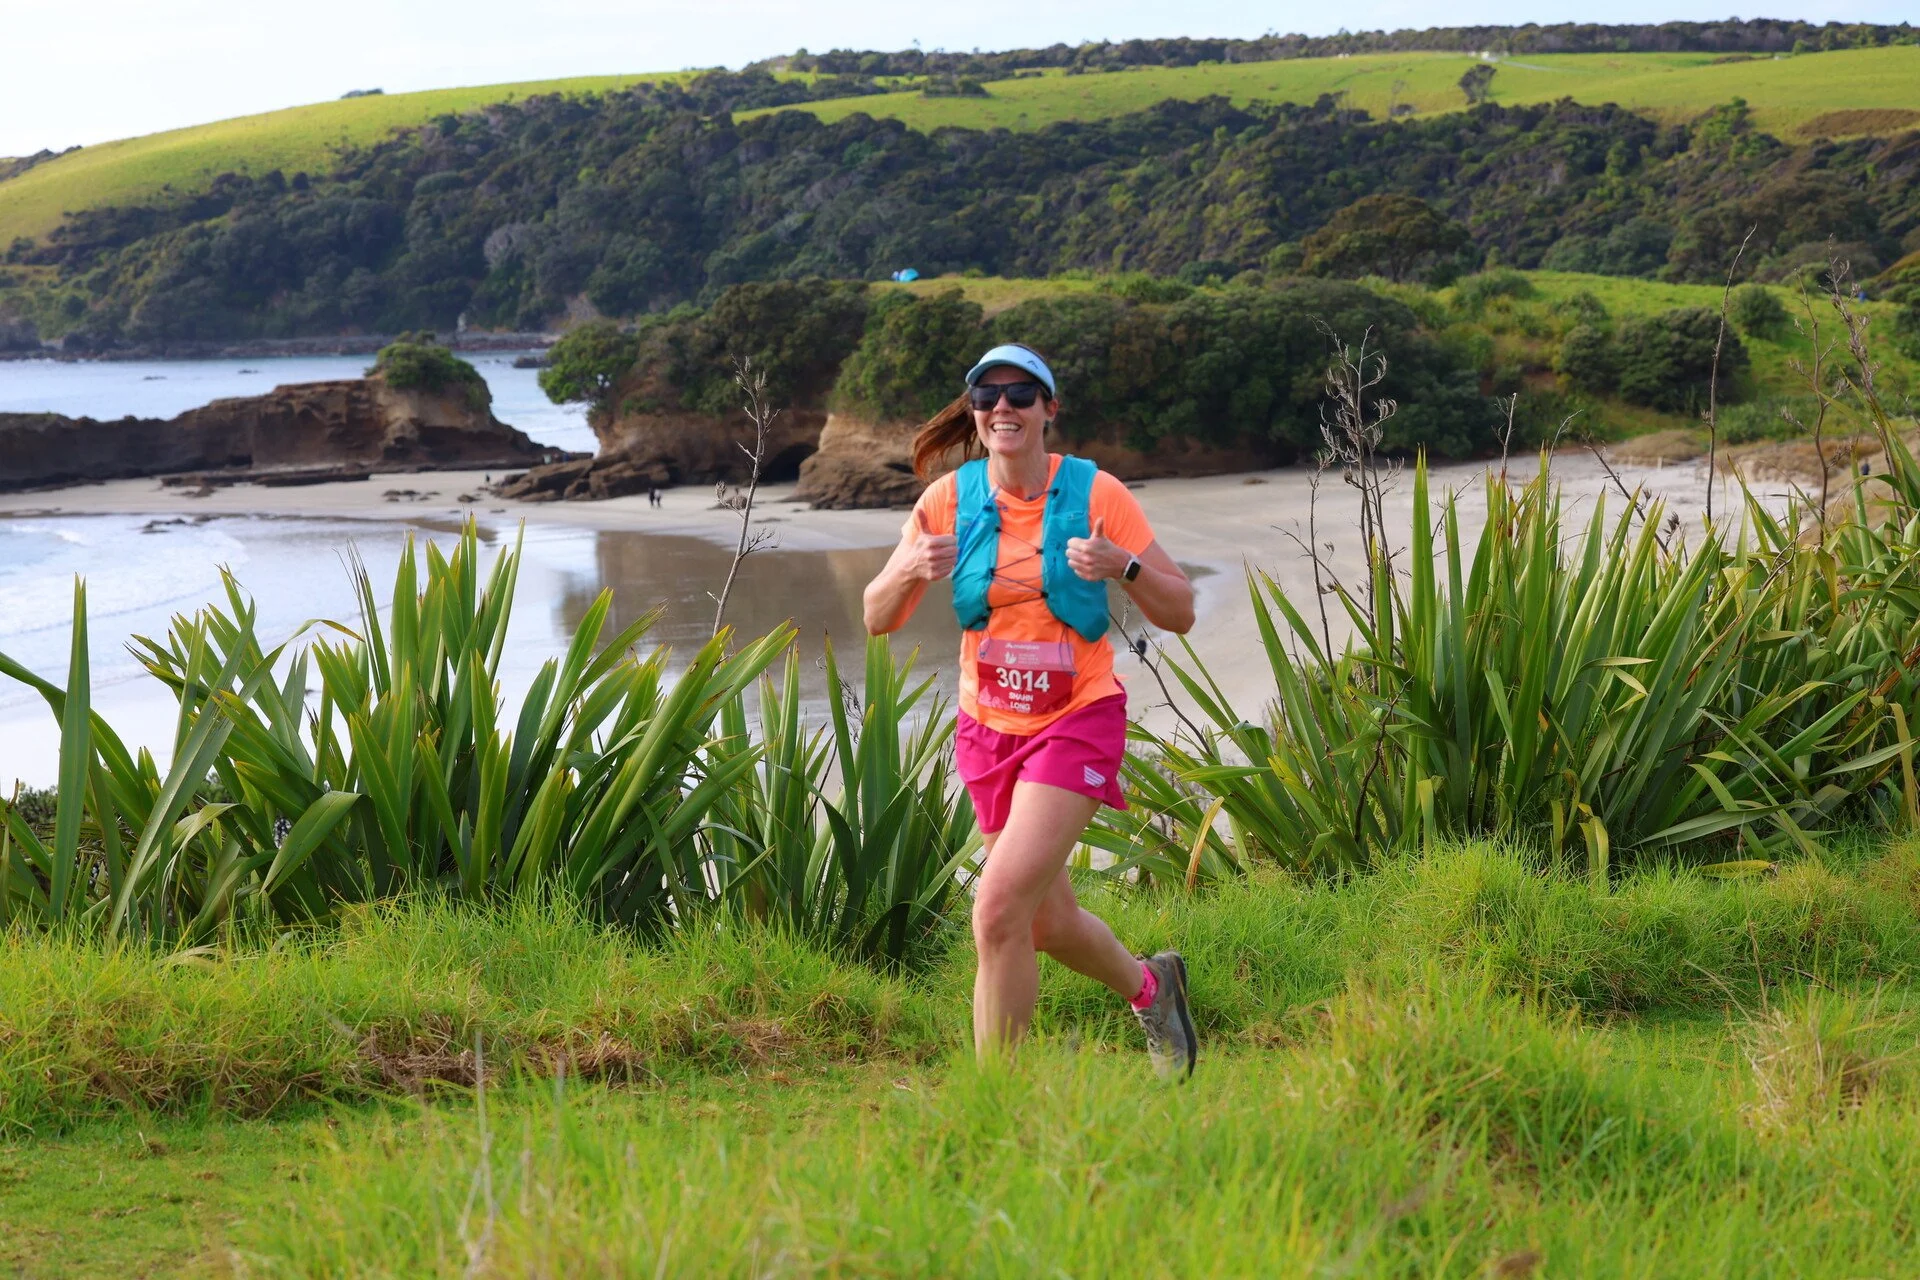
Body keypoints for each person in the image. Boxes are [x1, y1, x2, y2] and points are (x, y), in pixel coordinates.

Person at [862, 344, 1200, 1078]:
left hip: (1076, 718)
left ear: (1050, 408)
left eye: (1021, 394)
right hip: (987, 728)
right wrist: (911, 571)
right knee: (1044, 921)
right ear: (974, 412)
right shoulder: (946, 501)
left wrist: (1125, 568)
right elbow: (875, 614)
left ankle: (997, 1103)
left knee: (995, 911)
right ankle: (1153, 988)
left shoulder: (1097, 493)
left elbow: (1181, 612)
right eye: (987, 396)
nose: (1002, 407)